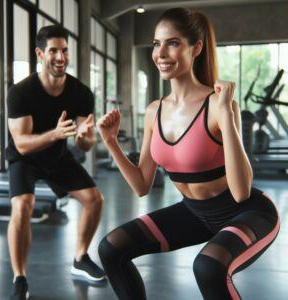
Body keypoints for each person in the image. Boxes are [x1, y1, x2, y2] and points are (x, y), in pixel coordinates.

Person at [96, 7, 280, 300]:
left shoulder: (218, 105)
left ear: (195, 48)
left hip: (248, 212)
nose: (161, 53)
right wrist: (111, 142)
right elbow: (142, 185)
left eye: (173, 43)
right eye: (157, 44)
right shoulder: (154, 111)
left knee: (208, 267)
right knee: (111, 247)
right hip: (195, 212)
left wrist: (226, 114)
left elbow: (242, 191)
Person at [7, 25, 105, 300]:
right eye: (53, 51)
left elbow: (84, 144)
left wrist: (86, 137)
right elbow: (22, 143)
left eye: (64, 50)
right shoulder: (21, 92)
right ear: (40, 54)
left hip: (57, 156)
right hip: (24, 158)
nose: (60, 57)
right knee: (23, 205)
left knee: (95, 199)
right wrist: (55, 134)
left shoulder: (81, 93)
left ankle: (80, 257)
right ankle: (20, 279)